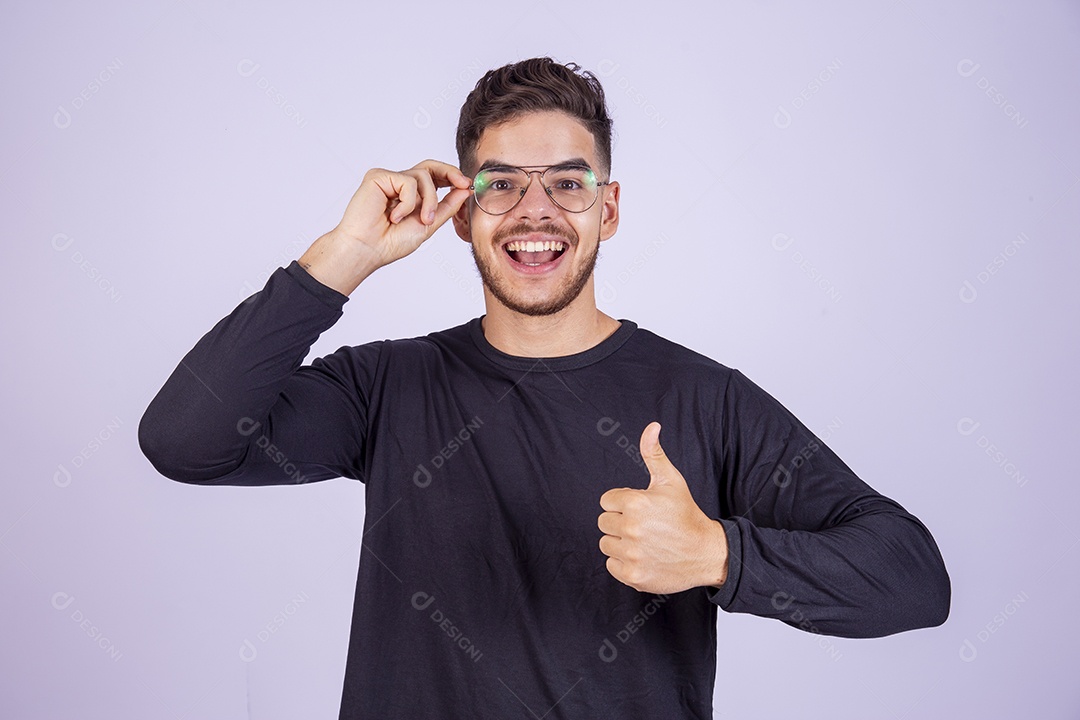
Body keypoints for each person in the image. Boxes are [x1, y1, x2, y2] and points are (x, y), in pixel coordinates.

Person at [139, 57, 950, 719]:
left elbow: (913, 578)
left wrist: (717, 554)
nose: (536, 211)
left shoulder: (706, 399)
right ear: (462, 214)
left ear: (608, 209)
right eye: (501, 184)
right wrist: (346, 253)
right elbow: (184, 442)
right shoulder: (385, 386)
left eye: (567, 182)